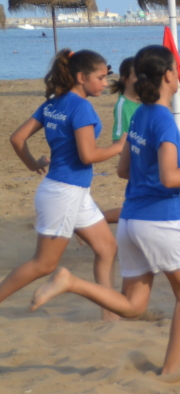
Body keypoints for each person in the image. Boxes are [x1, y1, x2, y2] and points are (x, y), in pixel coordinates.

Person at [31, 45, 180, 375]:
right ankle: (169, 372)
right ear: (168, 75)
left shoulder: (140, 114)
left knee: (133, 306)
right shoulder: (164, 121)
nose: (179, 74)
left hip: (131, 223)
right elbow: (169, 178)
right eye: (176, 69)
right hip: (161, 222)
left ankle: (71, 282)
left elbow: (126, 169)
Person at [2, 49, 124, 320]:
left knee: (107, 248)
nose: (105, 83)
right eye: (101, 77)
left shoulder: (52, 104)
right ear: (81, 77)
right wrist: (118, 147)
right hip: (64, 193)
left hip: (70, 191)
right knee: (43, 264)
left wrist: (33, 164)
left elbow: (16, 139)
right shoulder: (81, 107)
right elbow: (88, 155)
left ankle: (110, 315)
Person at [102, 56, 142, 225]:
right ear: (125, 79)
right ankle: (91, 222)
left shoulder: (144, 102)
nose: (142, 79)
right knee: (136, 210)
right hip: (138, 165)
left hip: (150, 163)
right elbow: (118, 142)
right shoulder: (123, 106)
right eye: (137, 75)